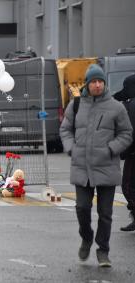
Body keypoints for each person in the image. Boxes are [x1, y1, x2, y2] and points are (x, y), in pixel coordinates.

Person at [60, 64, 133, 267]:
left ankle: (103, 251)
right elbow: (65, 130)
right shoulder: (75, 105)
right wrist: (71, 148)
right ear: (88, 84)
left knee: (105, 214)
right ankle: (86, 237)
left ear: (104, 83)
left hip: (107, 167)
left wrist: (111, 149)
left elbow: (127, 133)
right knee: (82, 207)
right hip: (82, 167)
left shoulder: (116, 107)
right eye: (94, 81)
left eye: (100, 81)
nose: (97, 85)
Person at [113, 74, 135, 231]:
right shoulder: (130, 102)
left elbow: (130, 132)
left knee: (128, 186)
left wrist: (124, 151)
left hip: (133, 153)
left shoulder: (132, 105)